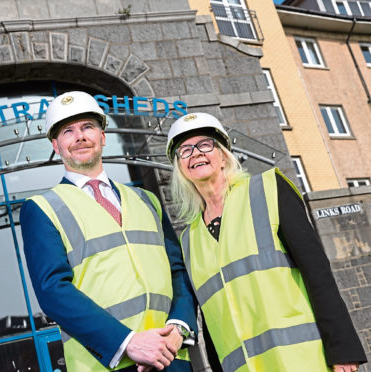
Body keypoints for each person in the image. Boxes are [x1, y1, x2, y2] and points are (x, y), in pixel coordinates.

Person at [167, 112, 367, 372]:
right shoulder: (189, 239)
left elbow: (317, 273)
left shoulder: (269, 189)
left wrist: (343, 350)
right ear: (179, 167)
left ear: (224, 155)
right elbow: (210, 321)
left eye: (205, 145)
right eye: (184, 150)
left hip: (304, 361)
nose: (195, 153)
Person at [20, 91, 198, 372]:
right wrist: (127, 342)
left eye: (87, 127)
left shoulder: (147, 200)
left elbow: (177, 271)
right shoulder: (41, 209)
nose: (79, 137)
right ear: (56, 145)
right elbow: (53, 291)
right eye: (68, 131)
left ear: (103, 136)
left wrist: (180, 326)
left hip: (170, 358)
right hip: (107, 365)